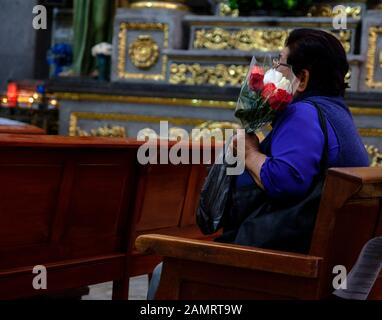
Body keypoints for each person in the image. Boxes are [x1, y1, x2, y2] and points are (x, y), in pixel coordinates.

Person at [147, 28, 369, 299]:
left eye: (280, 63)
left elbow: (284, 182)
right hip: (327, 266)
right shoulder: (337, 113)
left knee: (163, 273)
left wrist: (250, 151)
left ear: (302, 78)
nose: (273, 69)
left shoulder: (303, 112)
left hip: (284, 264)